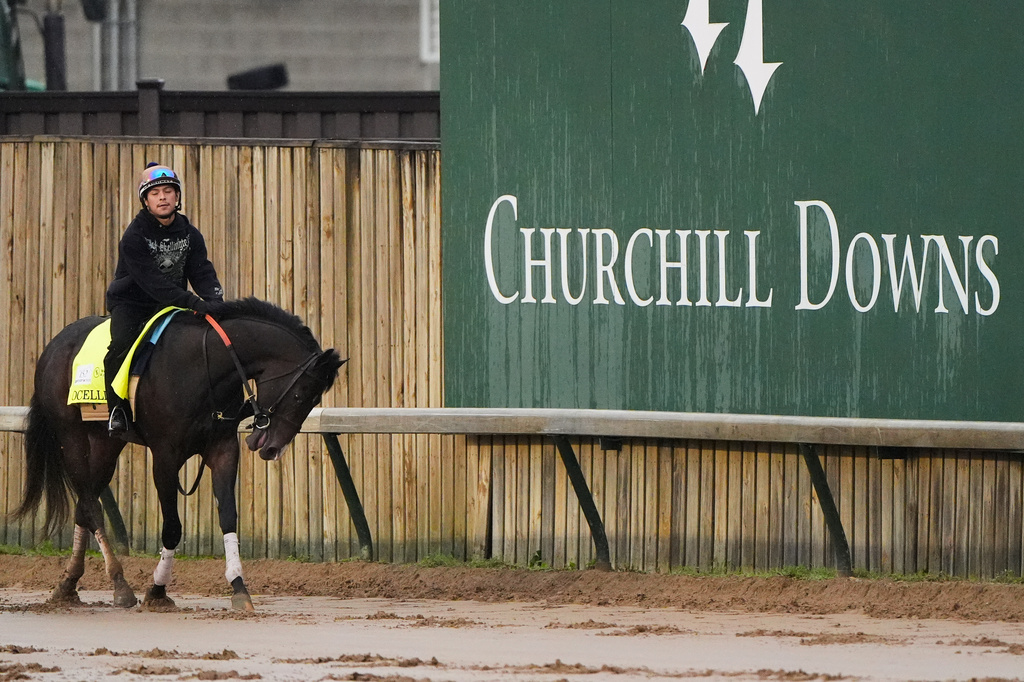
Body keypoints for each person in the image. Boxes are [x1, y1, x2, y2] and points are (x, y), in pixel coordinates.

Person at [104, 162, 225, 437]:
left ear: (177, 197)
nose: (163, 197)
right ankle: (117, 410)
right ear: (145, 200)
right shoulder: (134, 236)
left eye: (168, 191)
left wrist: (216, 302)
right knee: (120, 345)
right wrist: (194, 303)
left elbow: (202, 271)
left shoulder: (190, 234)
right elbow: (153, 282)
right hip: (133, 303)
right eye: (155, 192)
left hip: (171, 303)